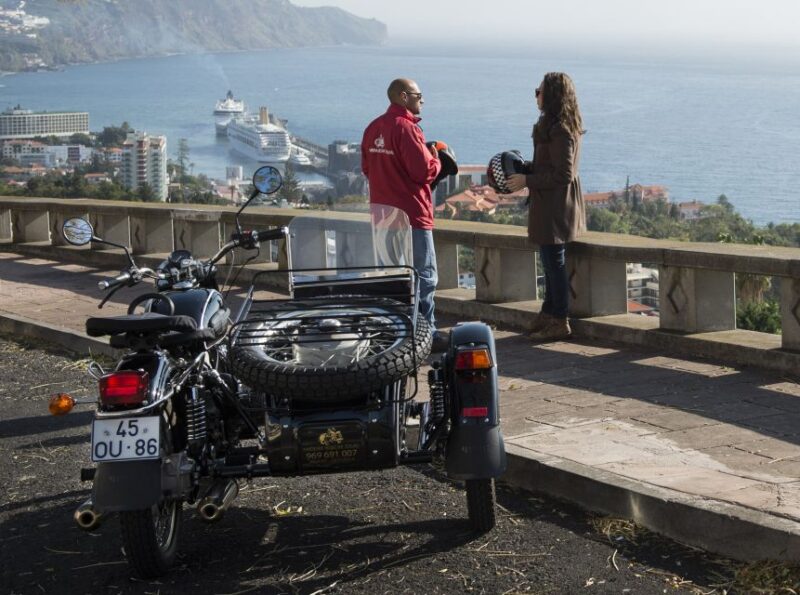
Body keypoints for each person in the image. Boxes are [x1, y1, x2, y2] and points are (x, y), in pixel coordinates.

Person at [361, 78, 449, 351]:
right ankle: (426, 335)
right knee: (424, 277)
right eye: (418, 95)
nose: (422, 100)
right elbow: (423, 171)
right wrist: (435, 157)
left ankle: (396, 333)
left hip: (382, 215)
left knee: (391, 276)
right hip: (412, 215)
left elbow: (367, 169)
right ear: (403, 96)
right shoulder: (407, 129)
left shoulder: (373, 127)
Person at [506, 72, 586, 341]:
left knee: (554, 263)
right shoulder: (553, 126)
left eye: (538, 91)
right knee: (550, 262)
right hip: (548, 203)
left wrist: (526, 179)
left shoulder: (561, 129)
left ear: (551, 95)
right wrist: (524, 168)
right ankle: (548, 312)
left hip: (555, 205)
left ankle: (559, 318)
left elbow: (564, 174)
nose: (536, 96)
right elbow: (550, 166)